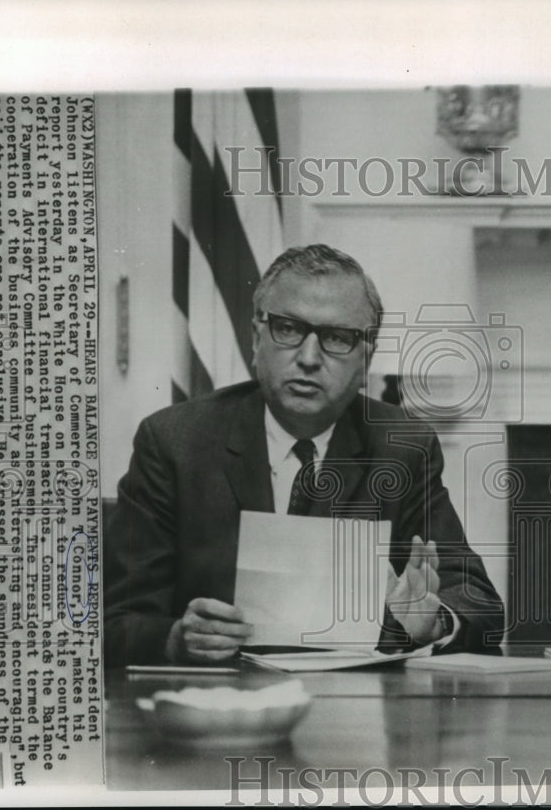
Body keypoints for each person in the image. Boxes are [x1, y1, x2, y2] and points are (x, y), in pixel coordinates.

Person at [103, 244, 504, 666]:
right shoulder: (174, 442)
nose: (309, 359)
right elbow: (113, 624)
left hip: (354, 715)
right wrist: (177, 638)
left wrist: (436, 621)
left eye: (336, 338)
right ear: (257, 338)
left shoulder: (403, 446)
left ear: (366, 356)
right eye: (289, 329)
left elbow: (480, 604)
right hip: (222, 709)